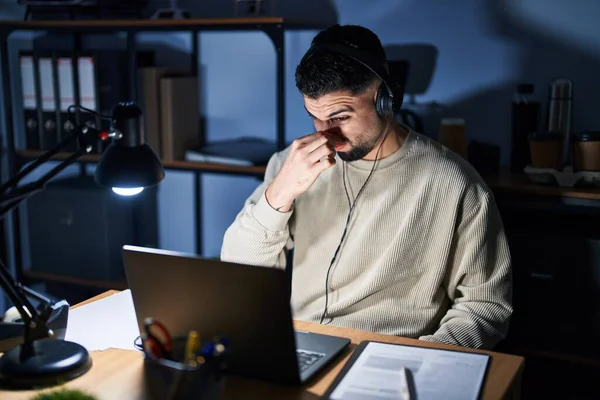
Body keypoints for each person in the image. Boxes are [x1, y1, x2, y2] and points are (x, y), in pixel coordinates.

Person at [221, 24, 512, 349]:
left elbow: (486, 307)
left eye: (339, 117)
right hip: (300, 348)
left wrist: (425, 357)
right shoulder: (292, 166)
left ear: (384, 99)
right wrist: (278, 196)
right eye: (314, 116)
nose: (325, 133)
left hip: (392, 356)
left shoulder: (455, 183)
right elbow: (238, 273)